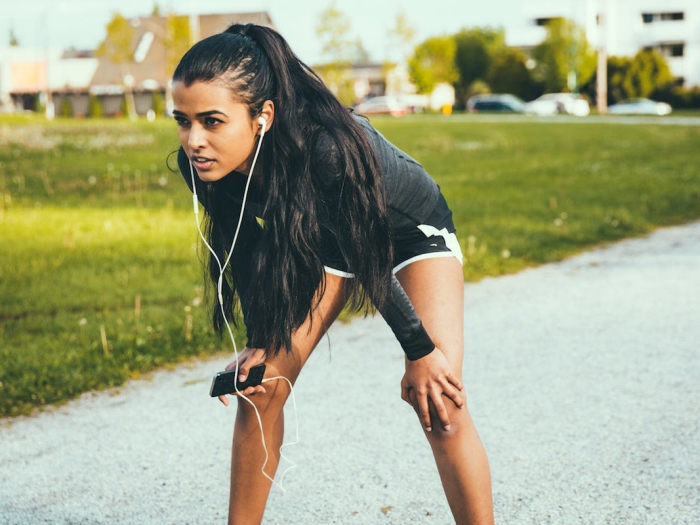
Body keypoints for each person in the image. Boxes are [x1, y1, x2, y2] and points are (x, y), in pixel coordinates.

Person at [172, 22, 493, 525]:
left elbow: (366, 253)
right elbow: (249, 247)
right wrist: (262, 340)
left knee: (439, 404)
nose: (194, 140)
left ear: (263, 116)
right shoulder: (202, 165)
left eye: (212, 121)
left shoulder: (324, 149)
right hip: (329, 241)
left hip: (409, 233)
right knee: (261, 391)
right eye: (183, 121)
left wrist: (422, 353)